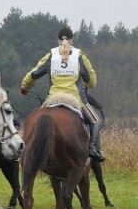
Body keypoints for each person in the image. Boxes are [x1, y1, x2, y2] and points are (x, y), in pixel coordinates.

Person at [20, 26, 105, 161]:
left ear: (58, 40)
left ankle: (27, 151)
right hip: (75, 99)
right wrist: (86, 83)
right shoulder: (79, 56)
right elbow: (92, 82)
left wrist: (25, 87)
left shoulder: (51, 55)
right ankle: (92, 149)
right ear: (72, 39)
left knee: (35, 122)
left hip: (53, 99)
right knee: (95, 120)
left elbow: (34, 74)